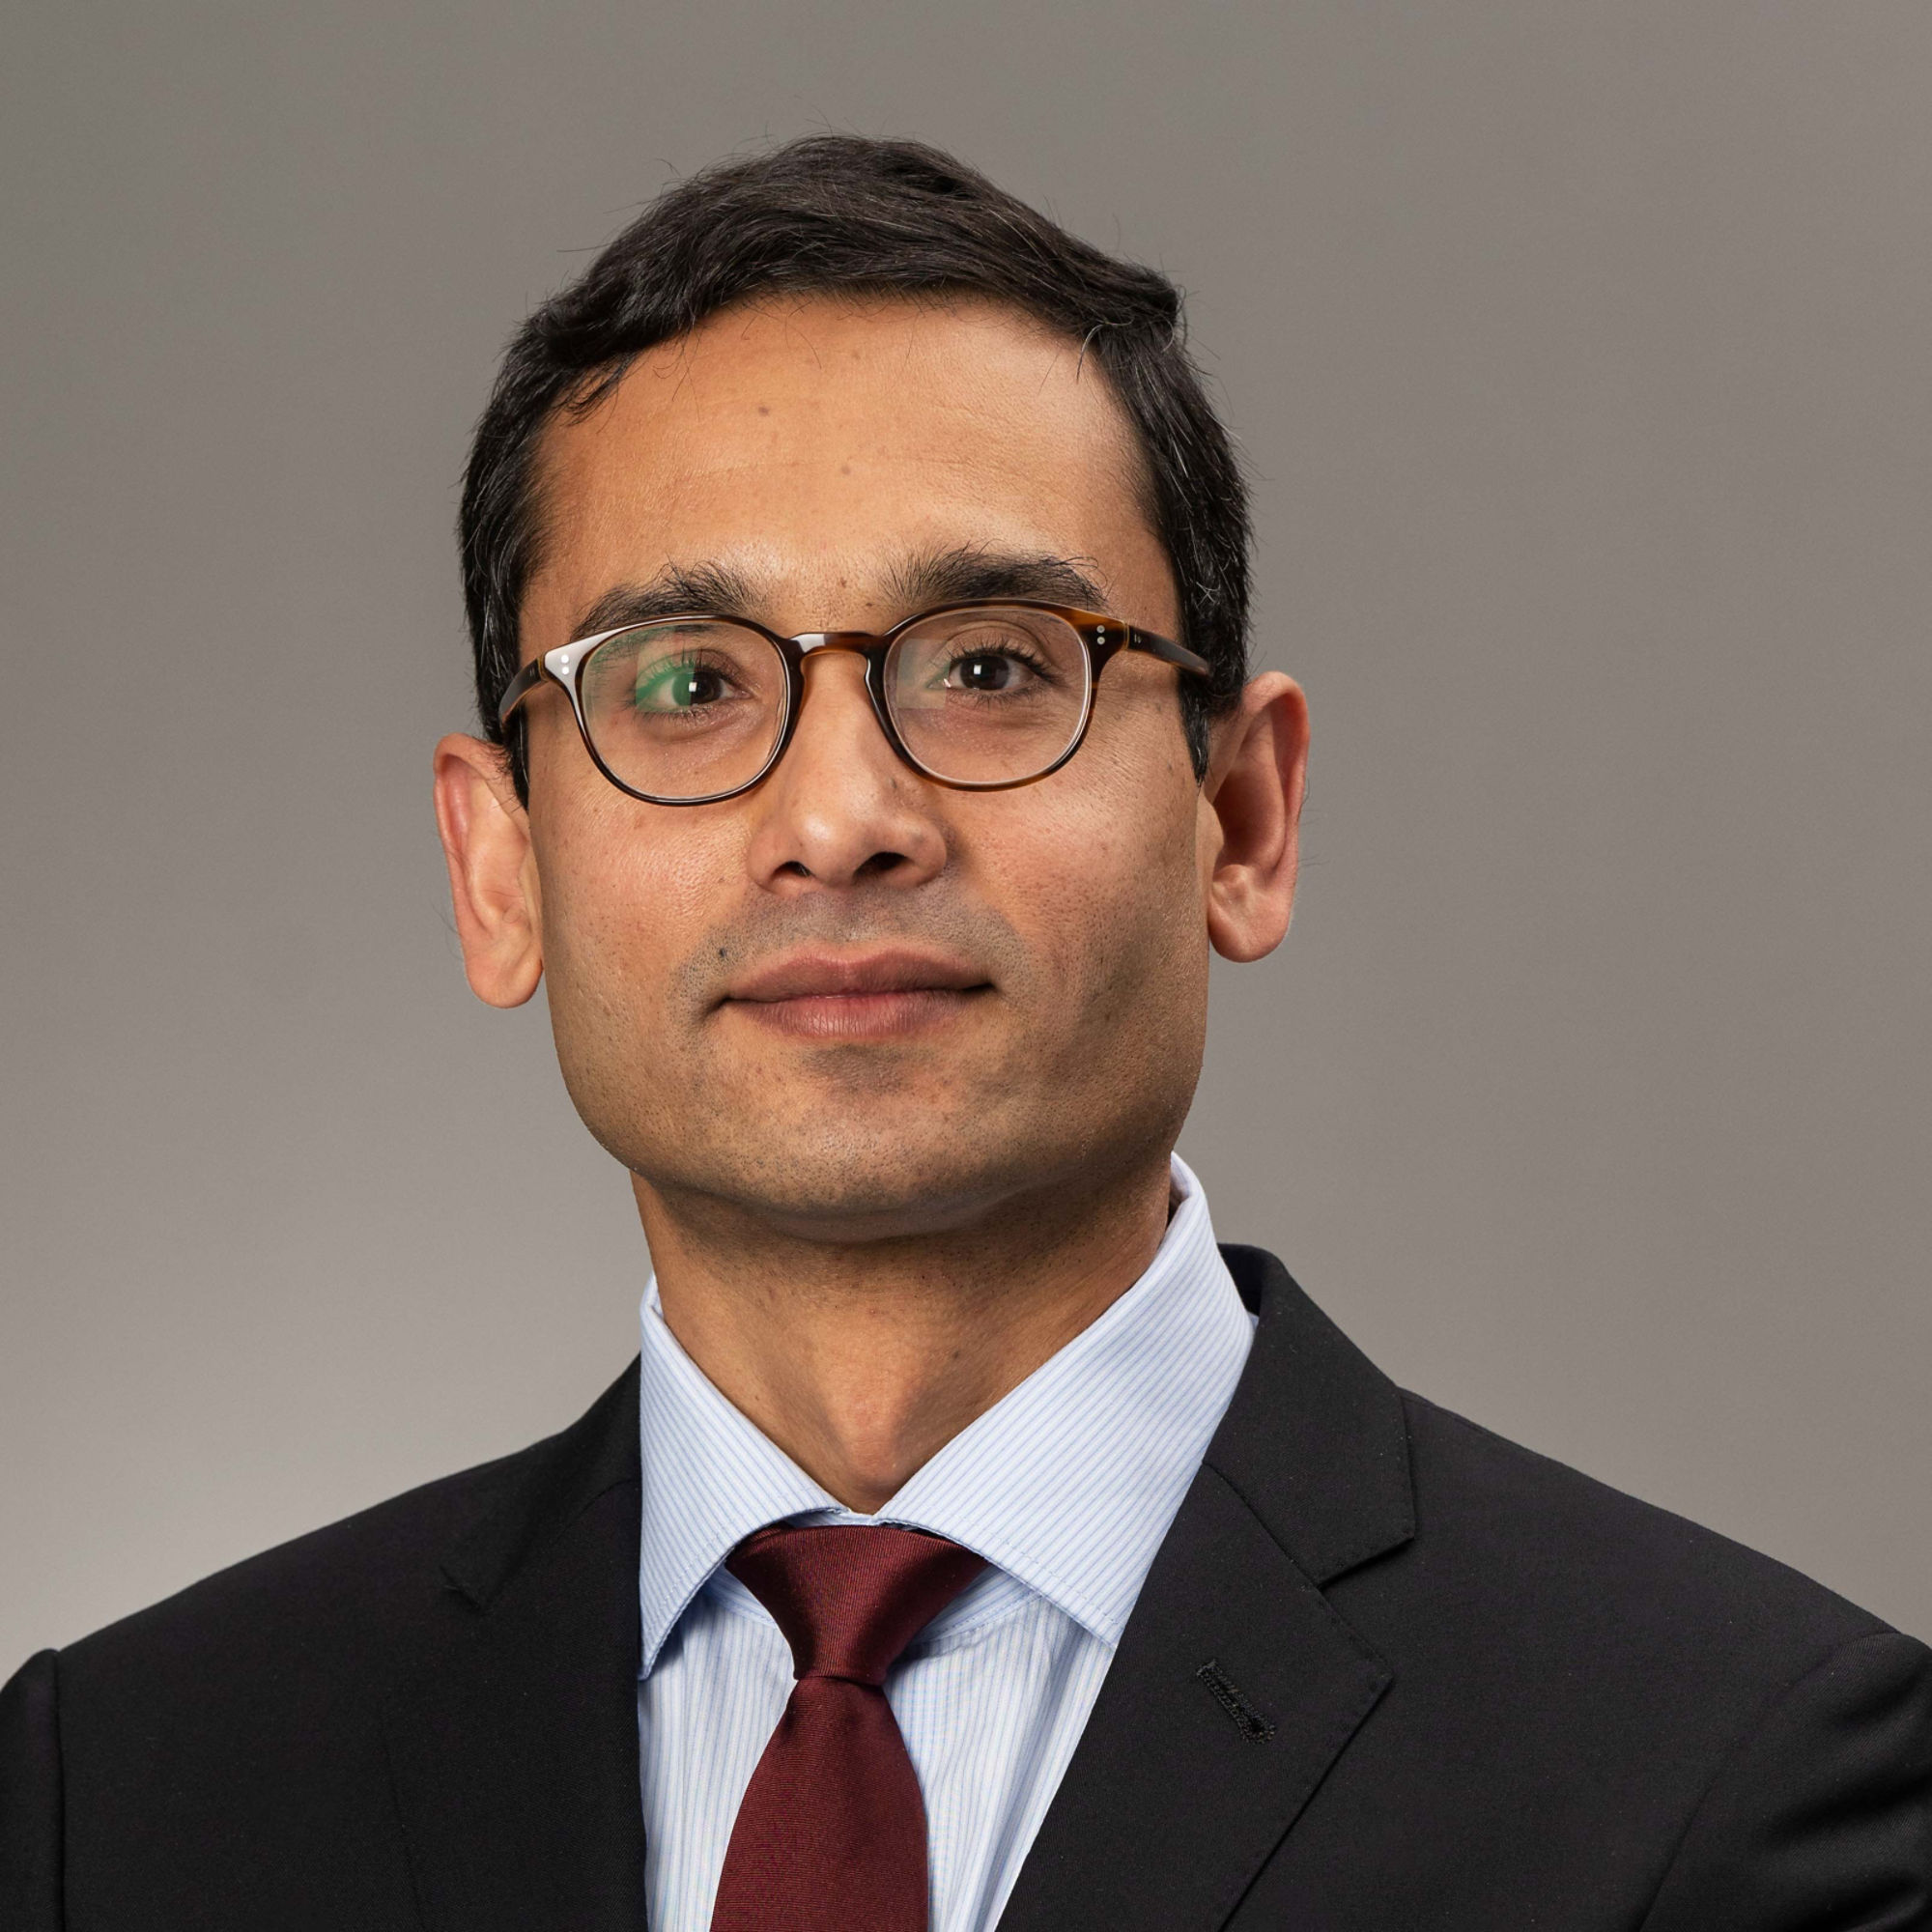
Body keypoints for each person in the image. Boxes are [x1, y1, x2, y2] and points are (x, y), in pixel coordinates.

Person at [2, 134, 1926, 1932]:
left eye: (996, 667)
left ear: (1240, 819)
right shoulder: (126, 1799)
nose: (841, 817)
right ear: (500, 865)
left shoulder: (1742, 1786)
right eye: (680, 682)